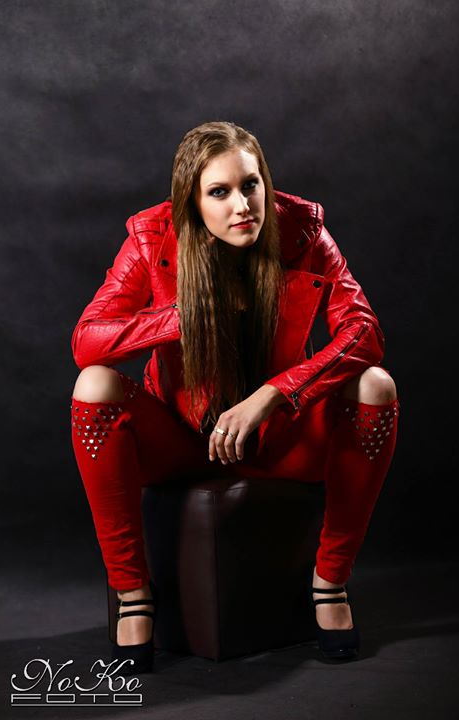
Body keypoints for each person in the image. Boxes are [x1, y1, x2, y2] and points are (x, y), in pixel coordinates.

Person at [70, 120, 399, 673]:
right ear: (192, 202)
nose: (242, 206)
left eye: (251, 185)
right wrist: (183, 317)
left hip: (279, 441)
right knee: (94, 383)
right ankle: (132, 593)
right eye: (219, 192)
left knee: (376, 384)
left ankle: (330, 581)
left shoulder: (303, 232)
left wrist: (276, 393)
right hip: (181, 444)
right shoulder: (152, 238)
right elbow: (87, 341)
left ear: (266, 181)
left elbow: (363, 333)